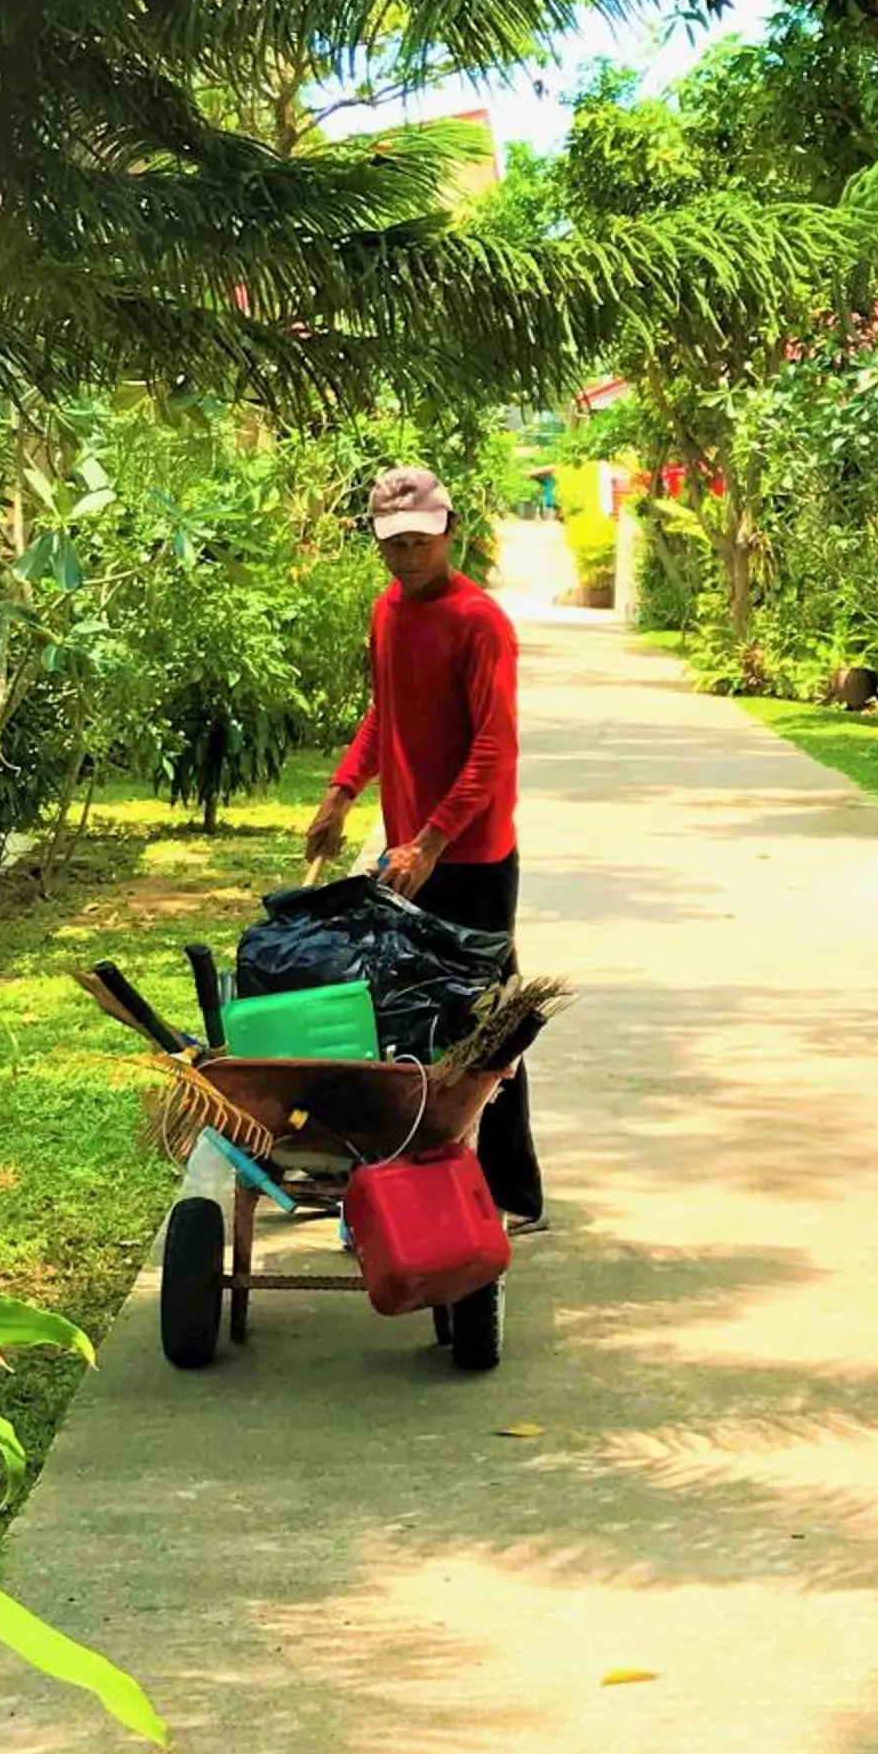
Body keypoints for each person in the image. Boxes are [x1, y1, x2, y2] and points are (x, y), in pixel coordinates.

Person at [305, 466, 545, 1231]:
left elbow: (492, 751)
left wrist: (433, 843)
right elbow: (387, 712)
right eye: (392, 543)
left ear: (449, 530)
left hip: (470, 860)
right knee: (399, 1019)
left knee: (488, 1029)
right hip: (410, 857)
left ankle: (511, 1193)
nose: (406, 556)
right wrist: (342, 792)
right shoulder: (388, 612)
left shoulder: (479, 623)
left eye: (419, 540)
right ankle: (396, 1186)